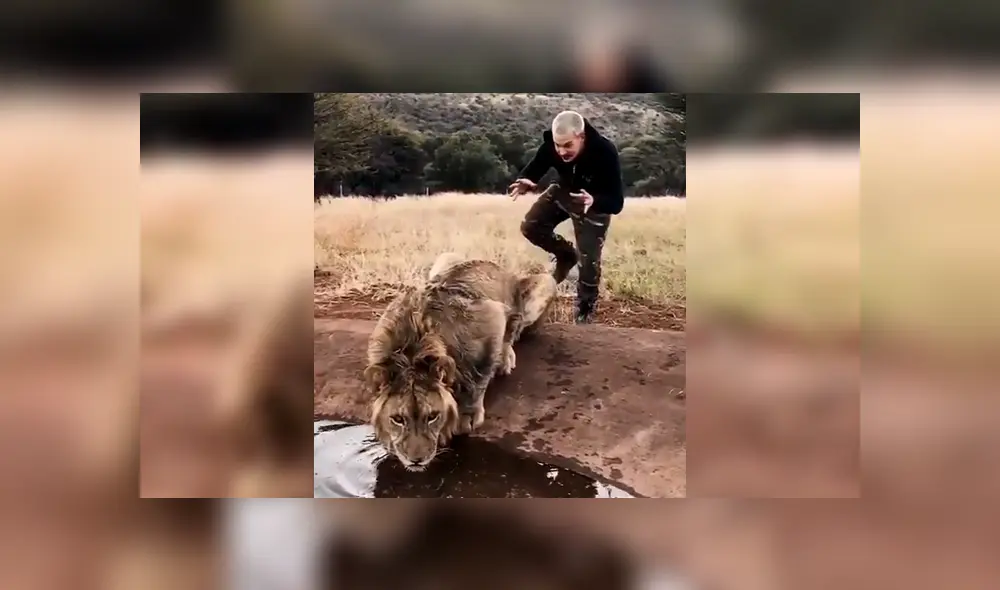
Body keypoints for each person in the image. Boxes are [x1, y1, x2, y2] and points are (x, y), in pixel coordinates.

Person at [509, 110, 624, 324]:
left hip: (592, 204)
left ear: (581, 136)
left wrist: (595, 201)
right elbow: (537, 165)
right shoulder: (553, 147)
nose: (561, 151)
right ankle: (565, 255)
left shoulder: (605, 152)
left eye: (568, 145)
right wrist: (526, 179)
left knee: (588, 264)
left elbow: (617, 202)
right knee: (531, 226)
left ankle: (584, 312)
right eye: (557, 145)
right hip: (564, 192)